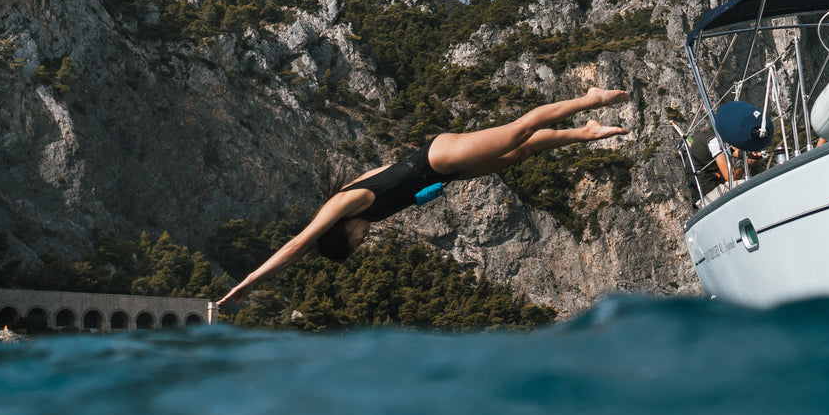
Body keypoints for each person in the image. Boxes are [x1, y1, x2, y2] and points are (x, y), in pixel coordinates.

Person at [217, 88, 630, 305]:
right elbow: (387, 179)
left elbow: (299, 244)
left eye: (353, 242)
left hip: (436, 156)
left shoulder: (345, 204)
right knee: (519, 152)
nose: (362, 241)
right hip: (443, 175)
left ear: (340, 231)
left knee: (517, 130)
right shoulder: (367, 212)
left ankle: (589, 98)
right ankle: (586, 131)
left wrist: (252, 281)